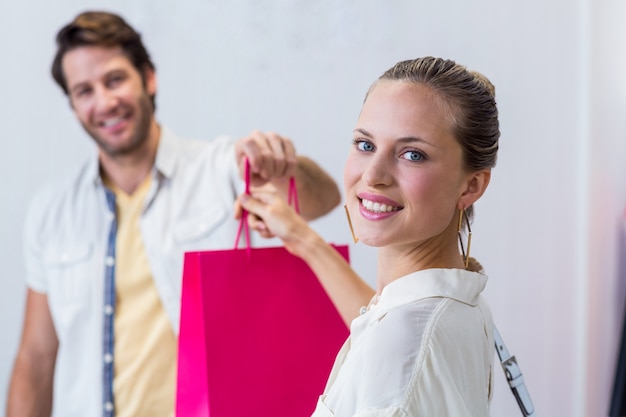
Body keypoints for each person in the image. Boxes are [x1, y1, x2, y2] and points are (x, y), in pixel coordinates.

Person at [6, 10, 341, 417]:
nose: (104, 102)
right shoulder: (51, 212)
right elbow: (37, 359)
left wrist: (283, 166)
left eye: (114, 80)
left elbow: (325, 198)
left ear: (148, 78)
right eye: (84, 91)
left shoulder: (220, 169)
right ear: (74, 106)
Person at [238, 56, 500, 416]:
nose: (374, 175)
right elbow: (381, 320)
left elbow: (396, 348)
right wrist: (303, 240)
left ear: (471, 185)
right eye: (365, 145)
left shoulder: (400, 349)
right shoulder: (454, 304)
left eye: (412, 154)